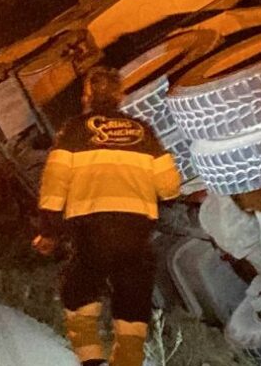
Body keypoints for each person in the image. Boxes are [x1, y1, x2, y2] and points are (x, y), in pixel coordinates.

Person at [32, 66, 182, 366]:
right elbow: (169, 187)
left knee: (79, 291)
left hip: (90, 227)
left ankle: (92, 361)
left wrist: (48, 231)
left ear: (86, 96)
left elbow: (54, 184)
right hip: (135, 228)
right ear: (120, 96)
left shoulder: (73, 131)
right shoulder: (142, 131)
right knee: (133, 298)